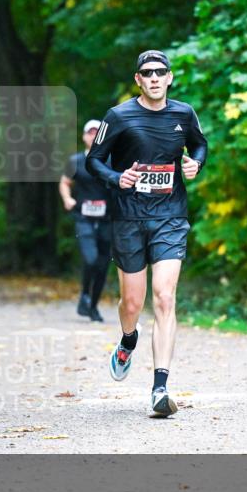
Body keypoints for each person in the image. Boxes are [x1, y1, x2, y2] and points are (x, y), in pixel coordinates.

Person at [86, 50, 208, 417]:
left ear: (170, 78)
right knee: (133, 305)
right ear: (138, 80)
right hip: (128, 218)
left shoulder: (184, 114)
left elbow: (199, 144)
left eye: (160, 72)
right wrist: (116, 177)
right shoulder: (119, 116)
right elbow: (94, 160)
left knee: (165, 297)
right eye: (146, 73)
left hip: (170, 216)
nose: (154, 77)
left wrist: (195, 163)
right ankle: (127, 341)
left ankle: (159, 387)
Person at [59, 119, 112, 322]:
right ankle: (85, 294)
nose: (94, 135)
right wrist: (67, 198)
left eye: (98, 132)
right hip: (83, 217)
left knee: (103, 263)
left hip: (107, 218)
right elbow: (64, 182)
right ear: (84, 137)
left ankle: (93, 305)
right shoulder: (75, 161)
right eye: (90, 132)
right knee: (91, 259)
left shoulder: (112, 160)